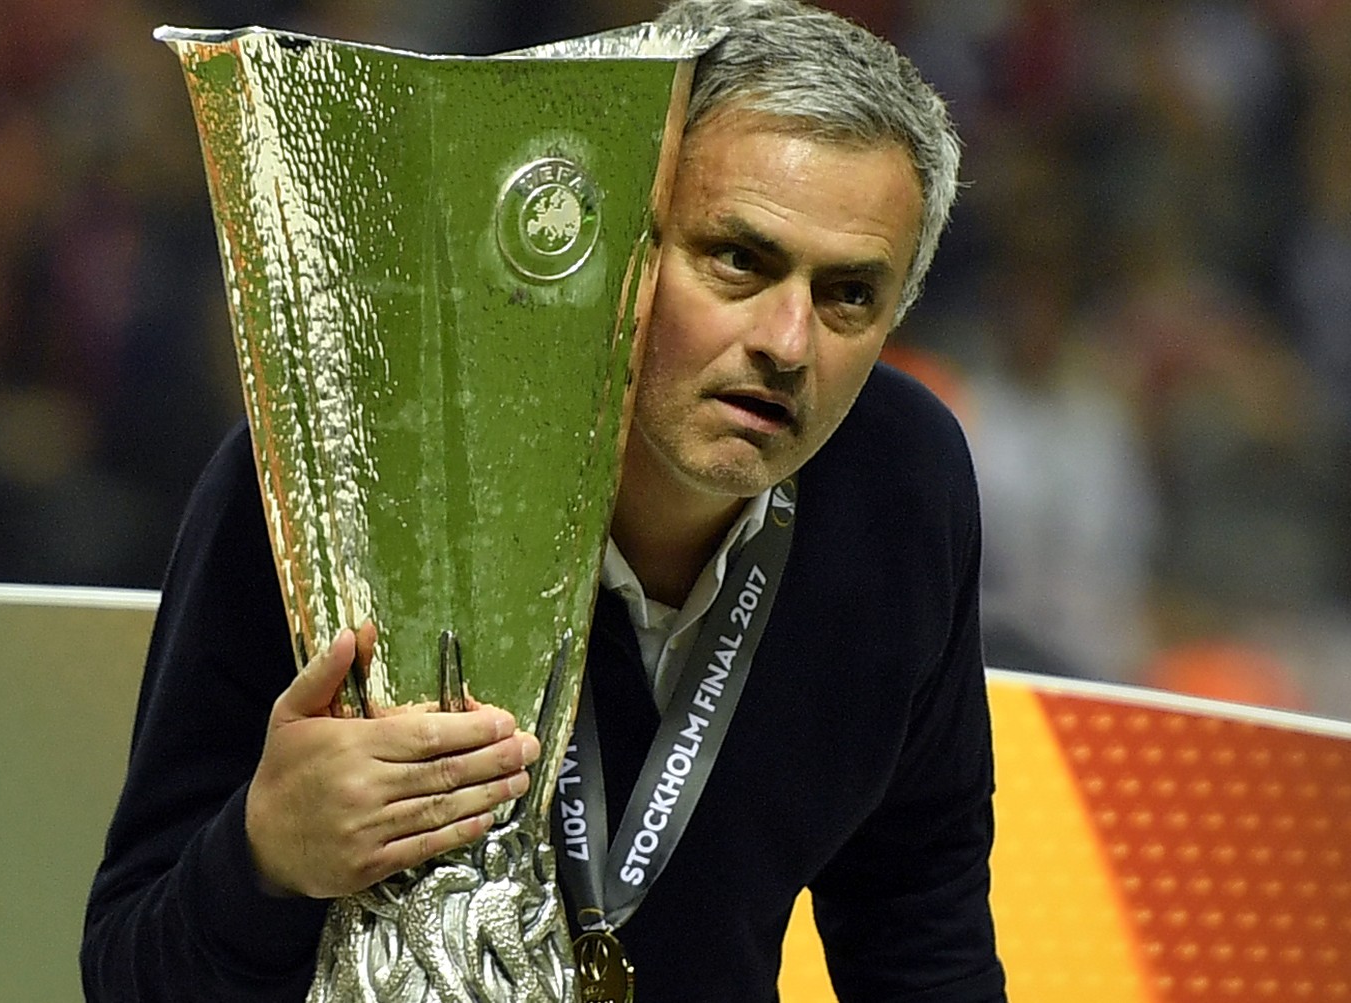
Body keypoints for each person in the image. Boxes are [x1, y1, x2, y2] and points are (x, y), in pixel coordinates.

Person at [82, 1, 1005, 1000]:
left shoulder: (903, 481)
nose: (788, 341)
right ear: (619, 242)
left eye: (849, 295)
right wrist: (262, 860)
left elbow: (920, 921)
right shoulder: (349, 478)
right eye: (738, 259)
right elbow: (129, 973)